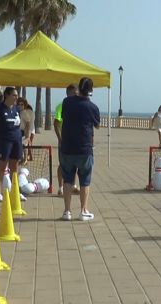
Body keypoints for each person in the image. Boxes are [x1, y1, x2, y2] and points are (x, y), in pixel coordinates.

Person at [60, 77, 100, 221]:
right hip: (84, 149)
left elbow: (64, 116)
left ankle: (67, 211)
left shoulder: (67, 102)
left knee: (67, 180)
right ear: (91, 91)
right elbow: (97, 125)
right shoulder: (93, 107)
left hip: (67, 148)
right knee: (85, 181)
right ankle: (83, 210)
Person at [0, 87, 23, 202]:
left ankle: (16, 192)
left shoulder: (17, 109)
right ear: (7, 95)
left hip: (17, 140)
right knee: (2, 167)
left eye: (17, 95)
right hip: (4, 141)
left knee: (15, 167)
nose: (16, 98)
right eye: (14, 95)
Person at [54, 84, 78, 195]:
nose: (77, 94)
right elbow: (56, 123)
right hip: (64, 141)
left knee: (75, 165)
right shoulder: (61, 106)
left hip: (75, 142)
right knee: (62, 164)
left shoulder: (78, 106)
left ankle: (73, 185)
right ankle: (61, 187)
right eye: (75, 93)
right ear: (69, 93)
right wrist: (60, 139)